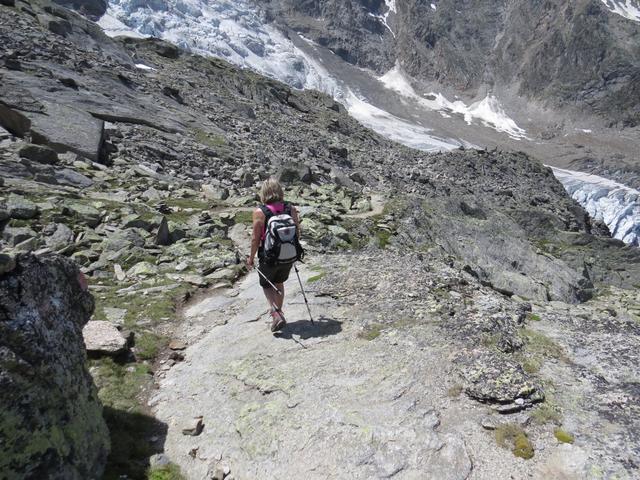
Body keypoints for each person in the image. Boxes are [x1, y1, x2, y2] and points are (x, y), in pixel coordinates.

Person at [247, 178, 301, 332]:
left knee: (266, 284)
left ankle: (276, 314)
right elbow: (296, 231)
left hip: (268, 255)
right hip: (288, 255)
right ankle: (279, 312)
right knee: (279, 282)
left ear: (263, 193)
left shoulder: (260, 212)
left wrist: (251, 258)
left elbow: (255, 238)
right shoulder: (290, 208)